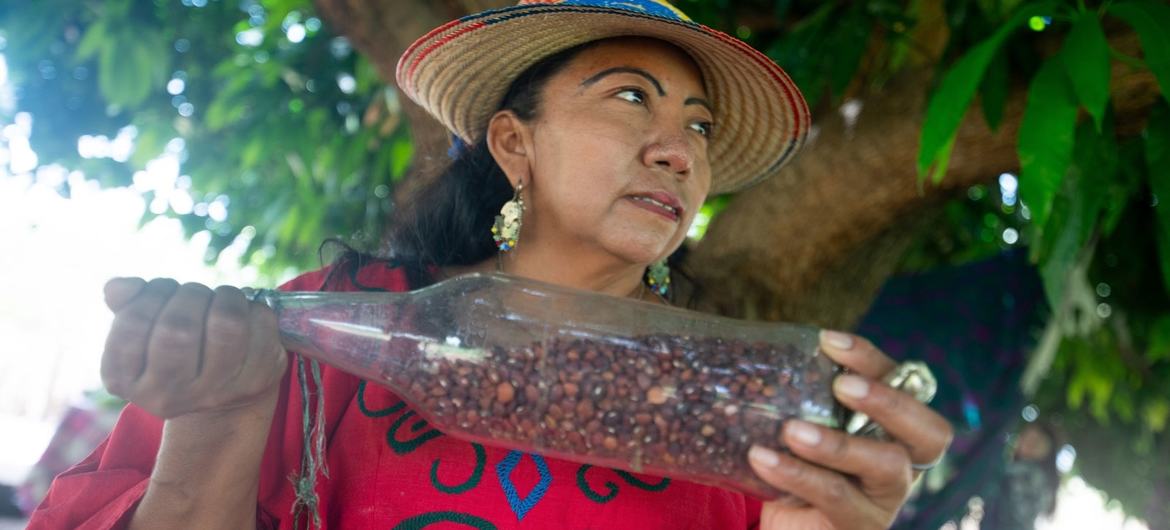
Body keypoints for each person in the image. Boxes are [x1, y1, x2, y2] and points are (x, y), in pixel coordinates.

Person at [27, 1, 953, 528]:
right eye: (632, 97)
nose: (680, 151)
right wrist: (220, 419)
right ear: (514, 144)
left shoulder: (734, 417)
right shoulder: (320, 330)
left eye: (700, 129)